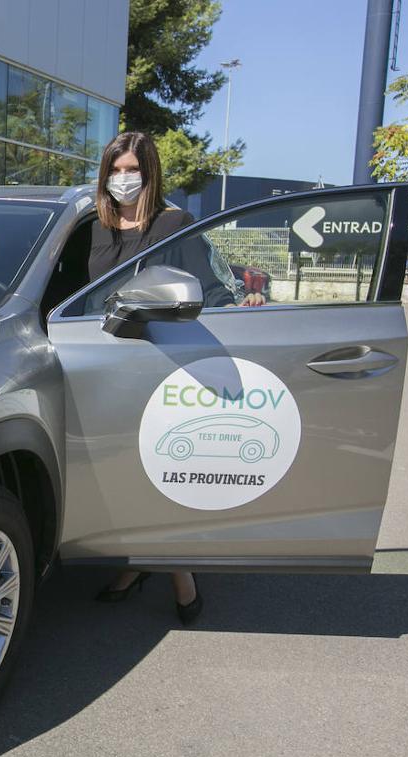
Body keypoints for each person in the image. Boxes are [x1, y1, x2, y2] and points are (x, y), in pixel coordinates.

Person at [86, 130, 231, 625]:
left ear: (150, 173)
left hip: (159, 366)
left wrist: (245, 304)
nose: (122, 179)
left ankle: (178, 572)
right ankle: (136, 564)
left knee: (160, 474)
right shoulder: (94, 224)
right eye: (115, 170)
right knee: (120, 472)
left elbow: (209, 290)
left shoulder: (174, 223)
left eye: (132, 170)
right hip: (101, 366)